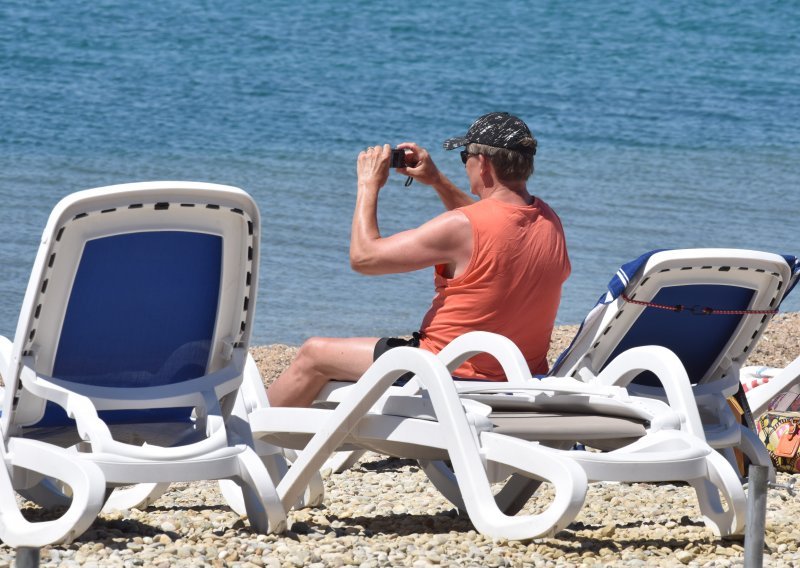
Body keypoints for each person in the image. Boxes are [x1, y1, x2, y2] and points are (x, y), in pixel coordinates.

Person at [267, 112, 570, 407]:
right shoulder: (548, 220)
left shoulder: (462, 227)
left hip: (445, 372)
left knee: (313, 355)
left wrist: (368, 185)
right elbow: (490, 225)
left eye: (465, 157)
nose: (465, 166)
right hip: (517, 378)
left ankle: (251, 441)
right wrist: (437, 180)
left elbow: (364, 258)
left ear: (484, 163)